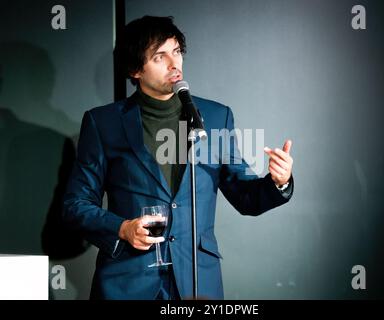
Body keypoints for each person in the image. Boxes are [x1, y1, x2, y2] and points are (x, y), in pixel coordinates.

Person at [63, 15, 294, 300]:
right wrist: (122, 228)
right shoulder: (103, 123)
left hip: (197, 281)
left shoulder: (215, 116)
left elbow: (245, 196)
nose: (175, 64)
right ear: (136, 69)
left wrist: (278, 182)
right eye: (160, 57)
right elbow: (75, 205)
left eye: (176, 52)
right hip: (127, 282)